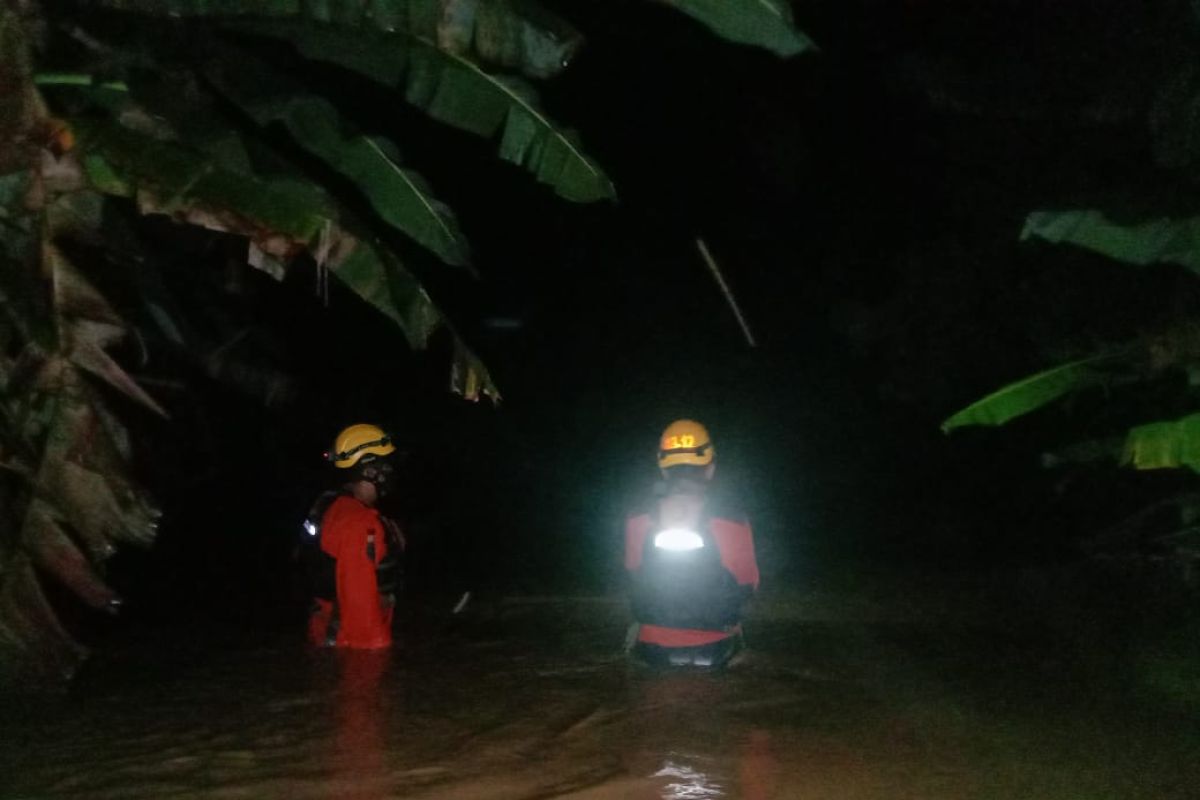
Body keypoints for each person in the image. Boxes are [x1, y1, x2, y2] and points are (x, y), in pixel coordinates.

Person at [624, 419, 759, 667]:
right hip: (719, 649)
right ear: (710, 468)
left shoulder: (638, 517)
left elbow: (633, 572)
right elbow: (749, 583)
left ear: (663, 468)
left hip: (651, 650)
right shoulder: (731, 518)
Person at [305, 423, 404, 649]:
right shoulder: (359, 523)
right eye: (386, 465)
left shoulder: (336, 506)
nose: (391, 471)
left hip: (329, 634)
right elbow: (360, 608)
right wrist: (373, 664)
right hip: (347, 641)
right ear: (369, 470)